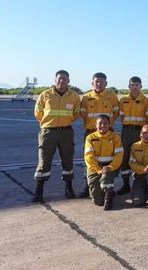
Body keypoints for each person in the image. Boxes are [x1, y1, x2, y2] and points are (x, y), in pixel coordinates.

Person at [32, 70, 81, 202]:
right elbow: (38, 113)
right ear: (55, 80)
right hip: (48, 132)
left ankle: (68, 188)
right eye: (59, 79)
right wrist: (49, 122)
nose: (62, 81)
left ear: (68, 81)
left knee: (67, 159)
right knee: (44, 160)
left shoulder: (74, 96)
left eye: (64, 79)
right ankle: (39, 190)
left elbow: (76, 113)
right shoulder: (45, 95)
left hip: (66, 132)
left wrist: (65, 121)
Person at [79, 72, 120, 198]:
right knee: (89, 160)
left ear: (106, 83)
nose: (99, 84)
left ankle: (109, 185)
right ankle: (89, 185)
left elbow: (116, 113)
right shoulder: (86, 98)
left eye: (101, 82)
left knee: (109, 159)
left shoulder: (112, 96)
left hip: (108, 133)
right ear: (92, 83)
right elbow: (82, 114)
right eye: (96, 81)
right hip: (91, 132)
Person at [117, 76, 148, 195]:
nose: (135, 87)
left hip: (139, 131)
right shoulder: (123, 100)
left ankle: (141, 184)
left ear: (141, 86)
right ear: (129, 86)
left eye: (137, 85)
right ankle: (126, 184)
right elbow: (121, 116)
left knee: (140, 156)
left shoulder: (146, 101)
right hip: (126, 131)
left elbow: (147, 117)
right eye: (133, 85)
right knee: (125, 156)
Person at [84, 115, 123, 210]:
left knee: (106, 177)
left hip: (110, 167)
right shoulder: (90, 138)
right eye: (100, 123)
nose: (103, 125)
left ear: (109, 125)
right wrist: (98, 170)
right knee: (97, 201)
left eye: (105, 123)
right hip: (96, 168)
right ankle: (106, 191)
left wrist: (110, 167)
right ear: (96, 125)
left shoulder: (115, 137)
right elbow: (89, 157)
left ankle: (108, 196)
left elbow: (119, 156)